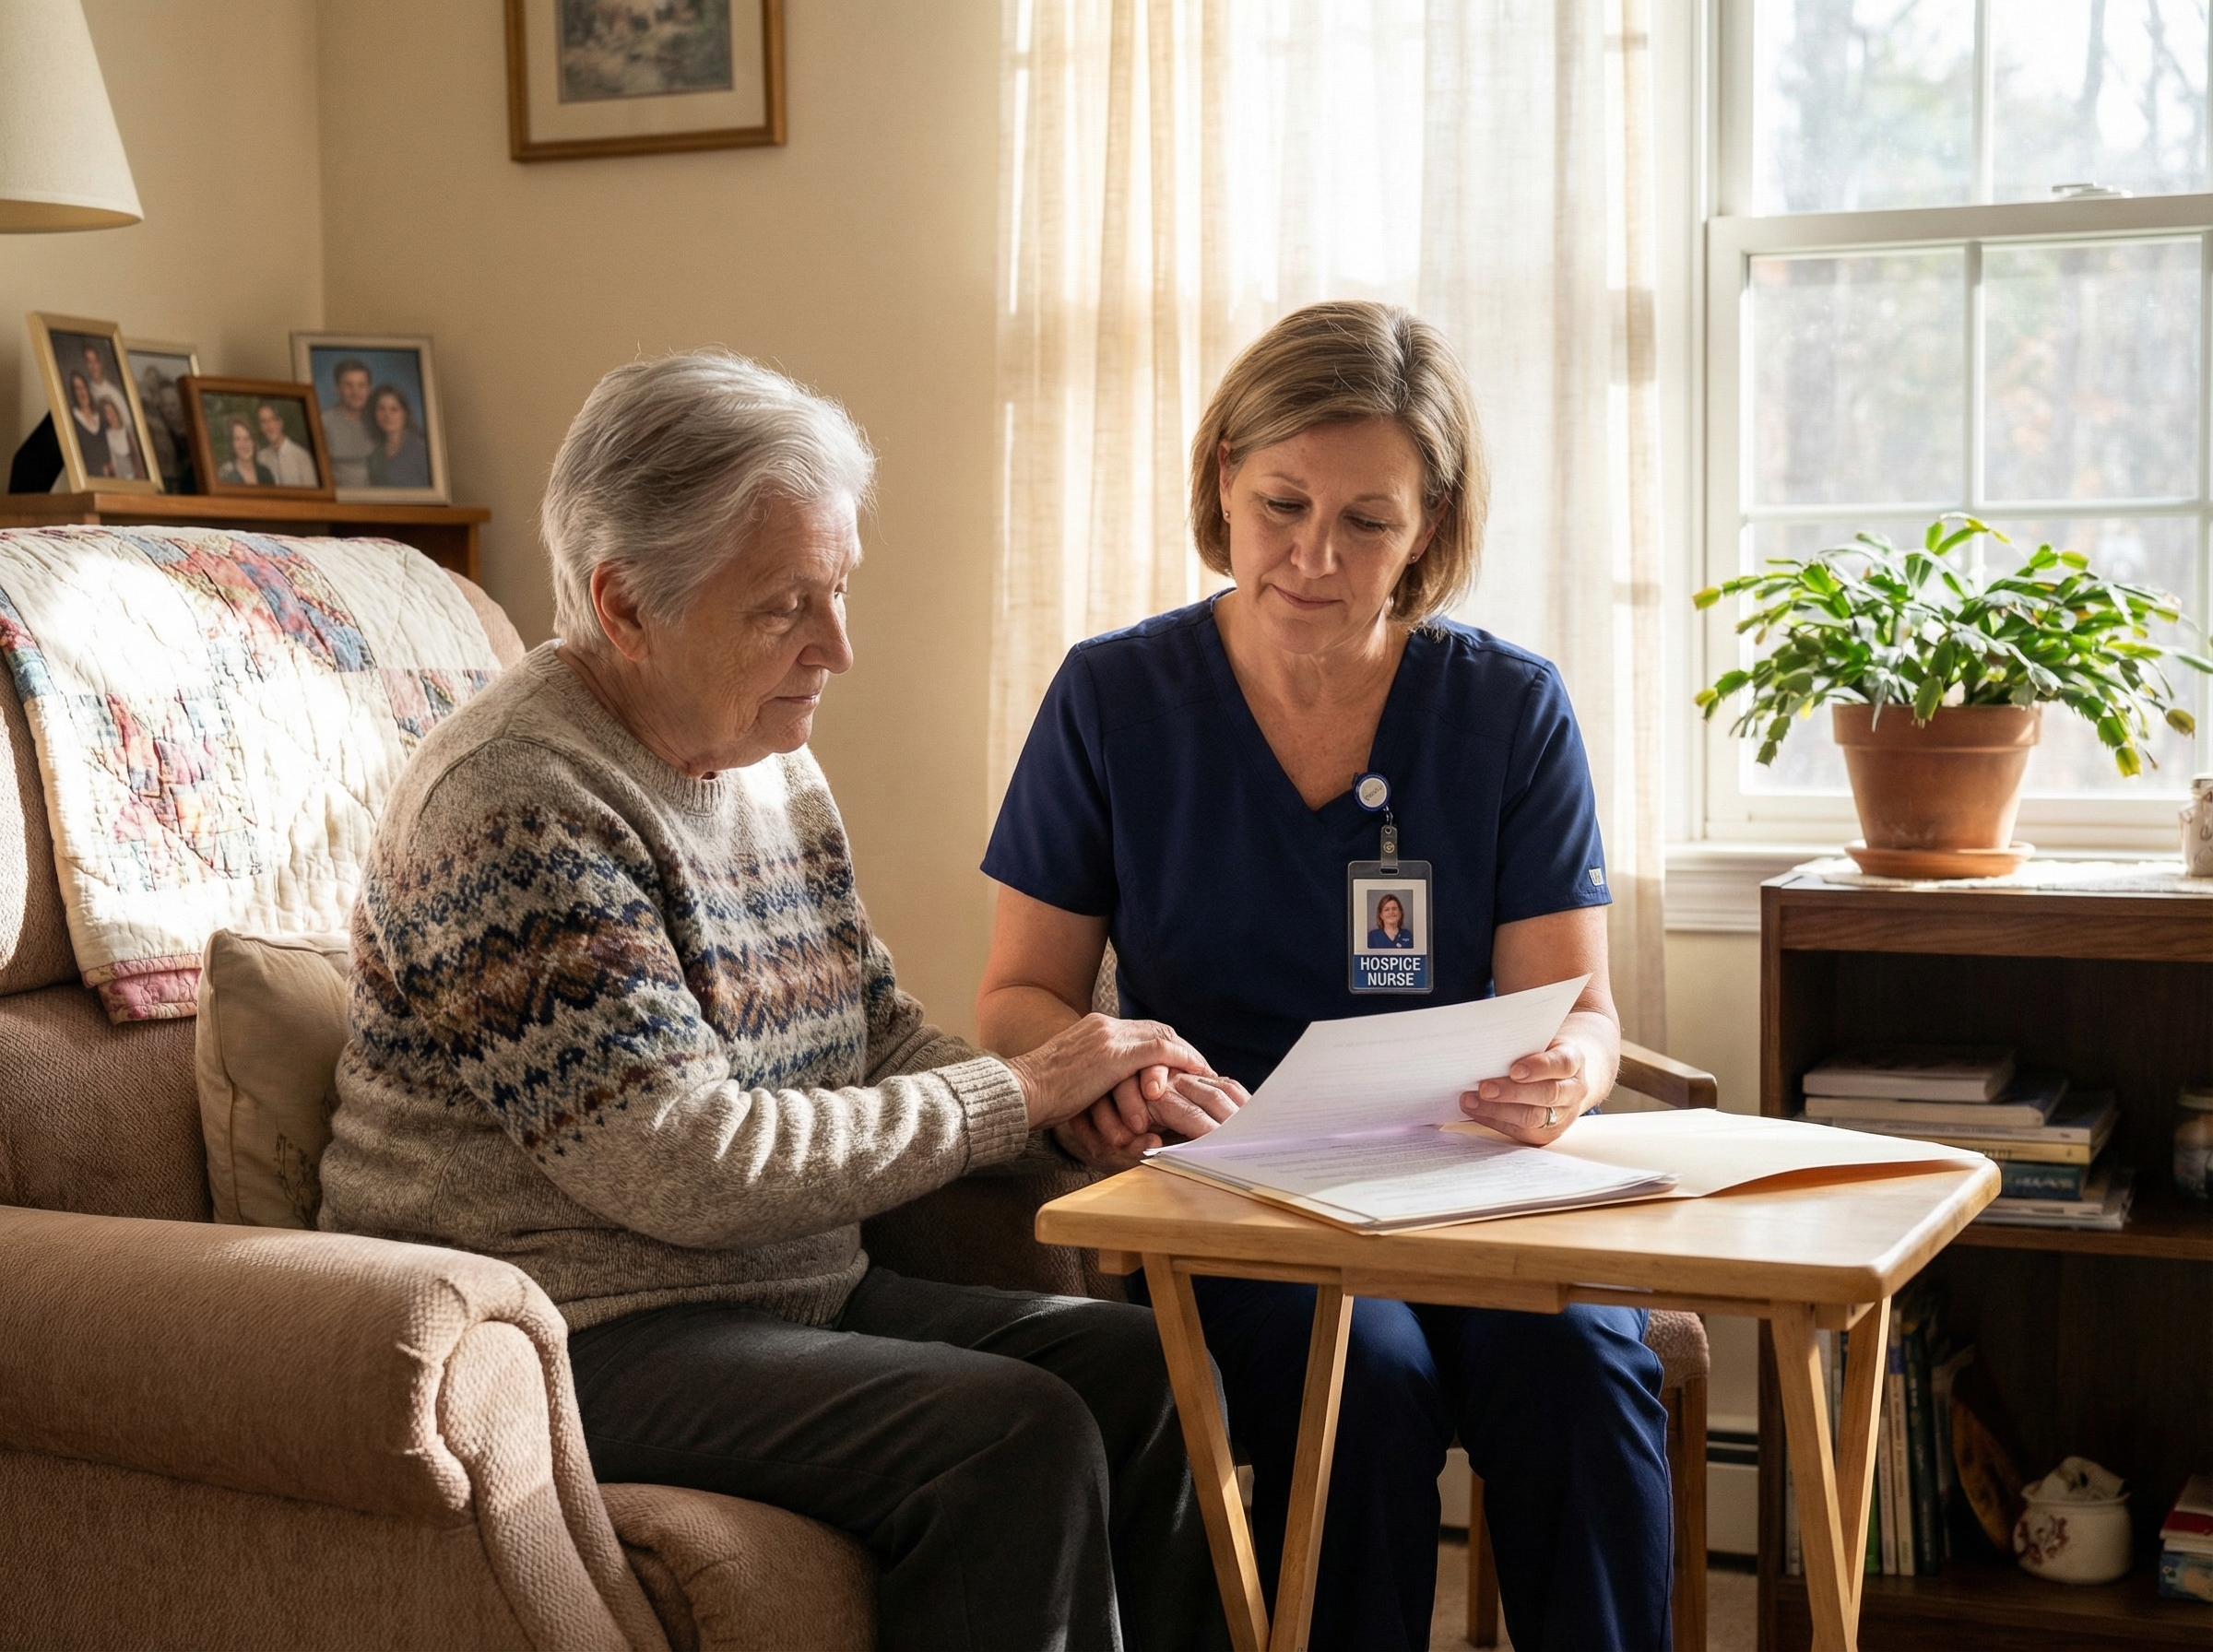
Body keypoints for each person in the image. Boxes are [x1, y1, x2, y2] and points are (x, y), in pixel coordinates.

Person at [317, 348, 1235, 1652]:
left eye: (838, 590)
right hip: (568, 1332)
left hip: (775, 1296)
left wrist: (1083, 1109)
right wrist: (1017, 1087)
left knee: (1145, 1377)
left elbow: (865, 1032)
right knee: (1008, 1439)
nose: (837, 648)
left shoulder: (765, 759)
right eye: (784, 605)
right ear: (624, 604)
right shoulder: (515, 804)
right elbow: (687, 1162)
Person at [976, 301, 1672, 1651]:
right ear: (1223, 474)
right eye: (1282, 503)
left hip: (1474, 1181)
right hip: (1237, 1191)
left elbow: (1581, 1013)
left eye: (1368, 520)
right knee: (1367, 1375)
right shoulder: (1114, 698)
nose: (1313, 555)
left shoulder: (1507, 709)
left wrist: (1564, 1078)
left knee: (1581, 1364)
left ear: (1431, 529)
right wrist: (1102, 1075)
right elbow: (1020, 997)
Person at [365, 382, 432, 489]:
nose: (387, 415)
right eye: (381, 409)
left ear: (405, 413)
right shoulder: (375, 457)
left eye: (394, 409)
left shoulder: (422, 451)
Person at [321, 358, 375, 487]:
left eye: (362, 385)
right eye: (348, 385)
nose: (356, 392)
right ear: (337, 388)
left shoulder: (379, 421)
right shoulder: (324, 423)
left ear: (369, 389)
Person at [254, 401, 319, 487]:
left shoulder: (301, 456)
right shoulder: (260, 459)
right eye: (264, 422)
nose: (269, 426)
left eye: (272, 420)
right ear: (261, 427)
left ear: (280, 422)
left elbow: (312, 495)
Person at [65, 372, 108, 477]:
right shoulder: (71, 420)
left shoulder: (101, 416)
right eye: (77, 388)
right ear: (73, 393)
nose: (82, 392)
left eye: (83, 387)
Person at [215, 416, 274, 486]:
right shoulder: (227, 477)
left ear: (254, 442)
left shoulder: (265, 473)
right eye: (237, 439)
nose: (244, 444)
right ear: (232, 445)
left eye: (247, 438)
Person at [97, 397, 143, 480]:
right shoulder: (106, 437)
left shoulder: (129, 432)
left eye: (112, 410)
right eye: (107, 412)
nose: (111, 414)